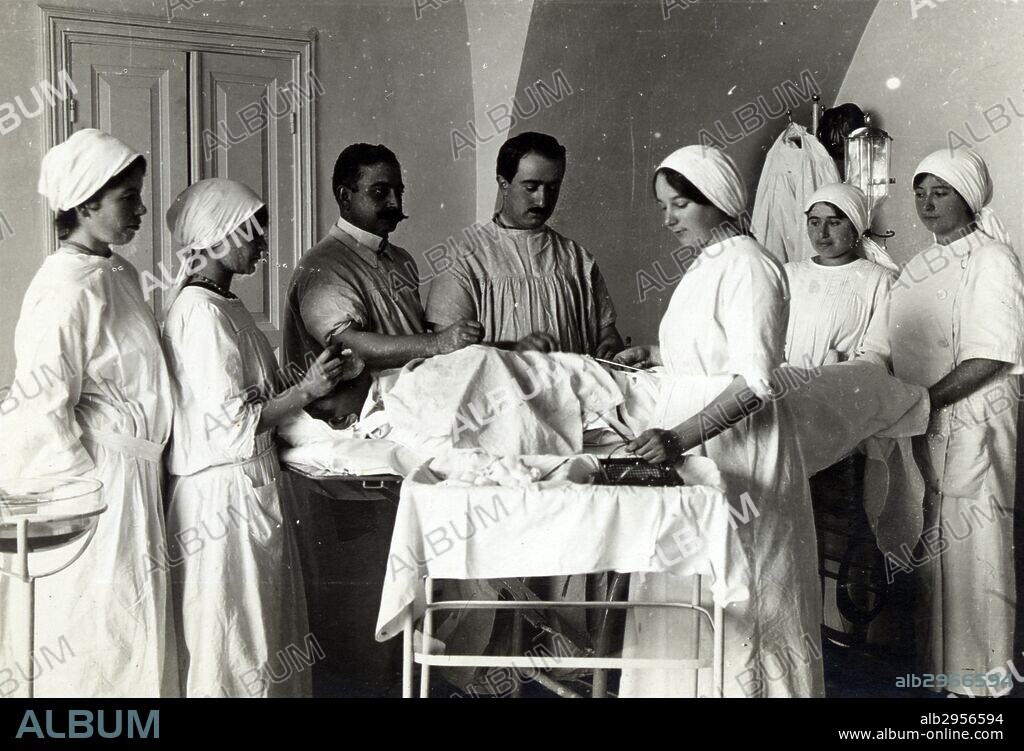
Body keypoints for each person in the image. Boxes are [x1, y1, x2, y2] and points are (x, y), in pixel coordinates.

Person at [614, 145, 823, 698]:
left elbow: (754, 382)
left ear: (719, 202)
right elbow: (711, 351)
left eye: (680, 204)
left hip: (736, 452)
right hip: (696, 449)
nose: (668, 220)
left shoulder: (751, 266)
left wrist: (678, 437)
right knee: (686, 587)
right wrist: (656, 354)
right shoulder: (709, 265)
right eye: (664, 206)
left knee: (743, 593)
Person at [162, 179, 355, 697]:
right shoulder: (199, 314)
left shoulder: (227, 307)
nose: (264, 244)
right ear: (221, 236)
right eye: (254, 234)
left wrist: (307, 383)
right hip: (221, 501)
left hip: (251, 489)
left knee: (261, 637)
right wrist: (306, 391)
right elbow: (231, 426)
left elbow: (253, 398)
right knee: (233, 641)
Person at [0, 129, 176, 696]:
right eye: (129, 197)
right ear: (85, 204)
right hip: (99, 487)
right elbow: (40, 407)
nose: (142, 209)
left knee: (136, 632)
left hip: (137, 479)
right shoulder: (63, 289)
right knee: (97, 635)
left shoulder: (117, 274)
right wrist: (82, 495)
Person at [860, 149, 1024, 696]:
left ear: (969, 198)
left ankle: (982, 690)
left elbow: (992, 355)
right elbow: (882, 346)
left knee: (975, 553)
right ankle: (940, 680)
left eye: (941, 192)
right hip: (923, 425)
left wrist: (921, 403)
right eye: (921, 192)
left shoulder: (994, 259)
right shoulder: (915, 267)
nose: (927, 204)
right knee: (930, 549)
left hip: (976, 423)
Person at [283, 143, 482, 425]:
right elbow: (354, 348)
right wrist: (438, 342)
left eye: (398, 192)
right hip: (350, 420)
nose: (395, 204)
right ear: (344, 196)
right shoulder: (324, 268)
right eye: (380, 193)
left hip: (408, 403)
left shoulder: (400, 259)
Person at [425, 132, 623, 357]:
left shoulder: (577, 258)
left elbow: (608, 333)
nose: (542, 201)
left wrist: (609, 346)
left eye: (553, 188)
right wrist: (514, 351)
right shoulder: (464, 260)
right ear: (503, 183)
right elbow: (449, 356)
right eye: (531, 187)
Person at [785, 183, 895, 368]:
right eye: (815, 222)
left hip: (841, 388)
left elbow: (878, 352)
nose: (822, 233)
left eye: (834, 222)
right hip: (785, 387)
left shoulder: (880, 280)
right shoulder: (788, 274)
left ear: (855, 227)